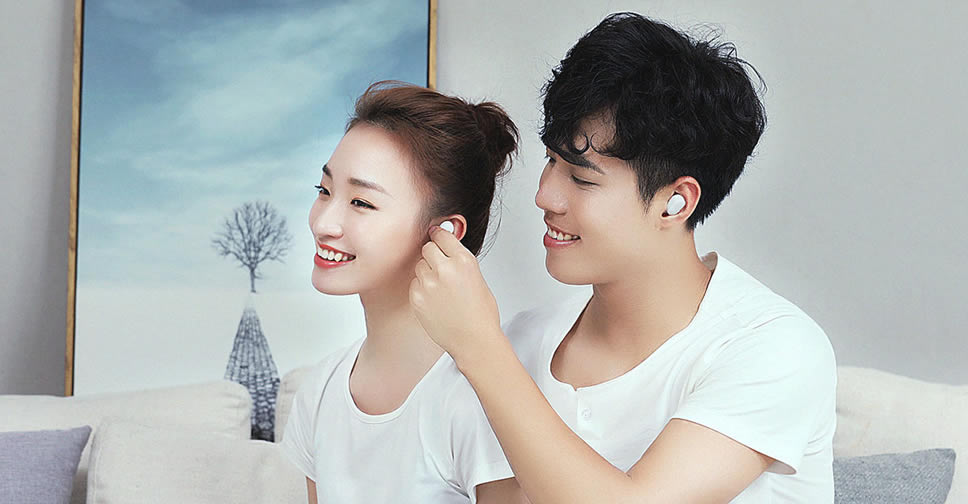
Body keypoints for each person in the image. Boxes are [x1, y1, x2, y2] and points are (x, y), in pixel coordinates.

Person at [410, 13, 837, 503]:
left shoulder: (773, 346)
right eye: (551, 161)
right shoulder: (522, 343)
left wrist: (479, 348)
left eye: (581, 178)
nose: (545, 196)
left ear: (675, 202)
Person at [280, 81, 527, 504]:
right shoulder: (319, 393)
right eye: (324, 191)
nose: (323, 224)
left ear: (444, 232)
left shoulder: (480, 403)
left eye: (361, 203)